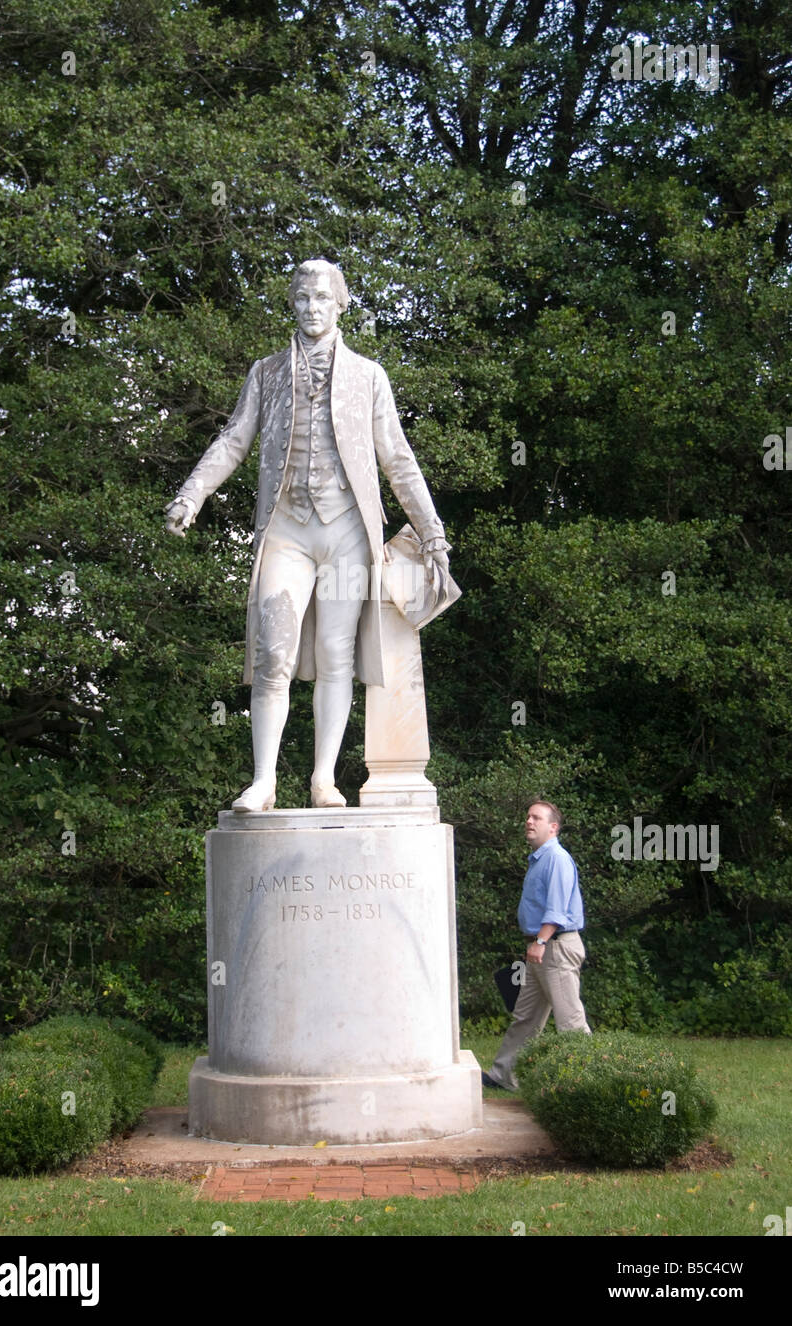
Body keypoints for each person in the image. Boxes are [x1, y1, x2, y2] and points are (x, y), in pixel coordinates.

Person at [164, 259, 451, 811]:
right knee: (274, 650)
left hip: (345, 529)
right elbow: (233, 440)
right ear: (292, 303)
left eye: (322, 298)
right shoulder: (266, 373)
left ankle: (324, 779)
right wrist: (192, 493)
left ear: (340, 304)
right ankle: (264, 781)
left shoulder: (368, 376)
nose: (312, 307)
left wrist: (431, 532)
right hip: (287, 529)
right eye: (302, 298)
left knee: (335, 652)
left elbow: (397, 458)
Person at [483, 800, 591, 1091]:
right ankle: (504, 1075)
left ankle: (591, 1083)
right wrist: (536, 944)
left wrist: (541, 941)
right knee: (526, 1017)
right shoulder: (539, 859)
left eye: (537, 818)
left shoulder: (556, 858)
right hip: (543, 948)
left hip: (554, 947)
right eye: (528, 817)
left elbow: (556, 910)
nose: (529, 822)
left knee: (570, 1019)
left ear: (553, 827)